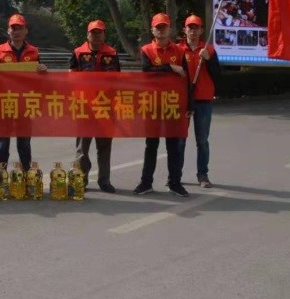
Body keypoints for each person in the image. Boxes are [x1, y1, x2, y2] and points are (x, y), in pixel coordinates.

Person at [133, 13, 190, 197]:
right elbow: (147, 72)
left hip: (173, 104)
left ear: (169, 29)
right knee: (151, 145)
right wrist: (170, 67)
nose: (161, 30)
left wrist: (189, 104)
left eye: (164, 26)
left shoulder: (180, 51)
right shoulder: (147, 50)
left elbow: (187, 79)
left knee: (173, 146)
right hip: (153, 104)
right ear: (152, 30)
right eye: (158, 27)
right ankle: (146, 183)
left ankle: (175, 183)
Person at [0, 14, 48, 171]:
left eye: (20, 28)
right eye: (13, 28)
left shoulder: (34, 52)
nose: (16, 32)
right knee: (2, 143)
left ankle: (26, 176)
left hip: (25, 103)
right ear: (8, 31)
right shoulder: (0, 50)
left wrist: (43, 71)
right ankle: (0, 176)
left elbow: (39, 79)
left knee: (24, 143)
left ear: (26, 30)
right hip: (4, 103)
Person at [69, 20, 120, 193]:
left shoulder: (112, 53)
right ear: (87, 34)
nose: (96, 36)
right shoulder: (78, 53)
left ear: (104, 34)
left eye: (99, 32)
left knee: (104, 146)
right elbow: (71, 78)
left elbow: (118, 79)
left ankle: (104, 181)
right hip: (85, 106)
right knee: (82, 147)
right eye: (93, 32)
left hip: (105, 106)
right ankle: (80, 180)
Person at [179, 15, 221, 188]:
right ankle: (175, 175)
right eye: (190, 27)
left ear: (202, 30)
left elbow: (218, 75)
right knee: (179, 140)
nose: (193, 31)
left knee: (202, 140)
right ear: (185, 30)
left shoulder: (209, 49)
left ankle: (203, 175)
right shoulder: (178, 49)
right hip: (183, 101)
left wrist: (208, 60)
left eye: (196, 28)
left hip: (203, 100)